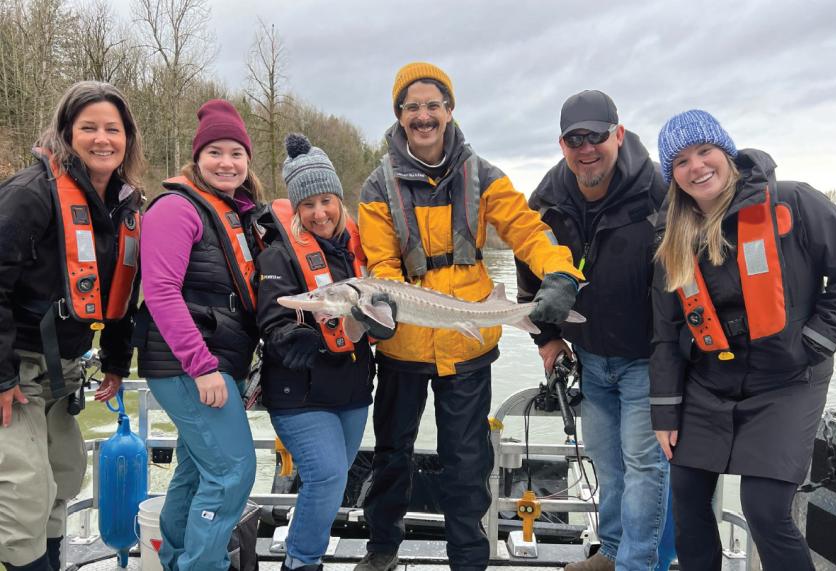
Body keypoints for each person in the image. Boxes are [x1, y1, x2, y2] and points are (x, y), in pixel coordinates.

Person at [355, 61, 584, 571]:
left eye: (432, 104)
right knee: (392, 455)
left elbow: (528, 231)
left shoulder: (483, 175)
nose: (423, 115)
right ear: (399, 115)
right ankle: (382, 550)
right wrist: (380, 310)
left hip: (470, 344)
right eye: (412, 106)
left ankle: (468, 561)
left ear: (449, 110)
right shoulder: (377, 185)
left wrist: (559, 272)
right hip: (403, 346)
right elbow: (382, 263)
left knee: (466, 463)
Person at [651, 110, 836, 571]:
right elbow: (664, 334)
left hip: (789, 379)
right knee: (685, 493)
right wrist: (664, 411)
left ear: (726, 151)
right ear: (672, 176)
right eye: (680, 161)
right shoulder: (669, 239)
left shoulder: (794, 202)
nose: (696, 167)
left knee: (765, 509)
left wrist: (818, 340)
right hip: (709, 382)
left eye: (705, 151)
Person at [516, 90, 675, 571]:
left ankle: (637, 562)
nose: (586, 148)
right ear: (562, 144)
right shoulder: (547, 198)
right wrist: (545, 337)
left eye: (597, 136)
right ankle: (610, 551)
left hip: (648, 357)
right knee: (608, 463)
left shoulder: (657, 188)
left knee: (645, 465)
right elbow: (529, 271)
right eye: (574, 138)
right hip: (590, 358)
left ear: (618, 134)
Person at [0, 81, 144, 571]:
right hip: (13, 370)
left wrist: (117, 364)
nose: (102, 139)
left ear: (128, 138)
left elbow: (124, 293)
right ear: (66, 132)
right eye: (89, 128)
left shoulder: (125, 206)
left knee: (64, 475)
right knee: (23, 493)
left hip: (63, 371)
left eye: (113, 129)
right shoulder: (29, 195)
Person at [134, 99, 262, 570]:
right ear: (197, 158)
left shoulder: (233, 213)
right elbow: (162, 291)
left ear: (248, 161)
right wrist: (202, 366)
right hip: (188, 364)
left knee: (195, 470)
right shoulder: (176, 207)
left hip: (209, 363)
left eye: (236, 153)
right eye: (215, 152)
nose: (226, 162)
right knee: (232, 472)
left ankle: (174, 562)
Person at [255, 133, 376, 571]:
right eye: (308, 205)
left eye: (326, 200)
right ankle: (302, 562)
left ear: (341, 199)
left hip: (352, 390)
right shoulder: (278, 255)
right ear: (297, 210)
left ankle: (302, 551)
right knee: (325, 477)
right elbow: (272, 319)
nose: (319, 212)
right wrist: (292, 337)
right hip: (298, 392)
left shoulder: (363, 251)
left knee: (332, 479)